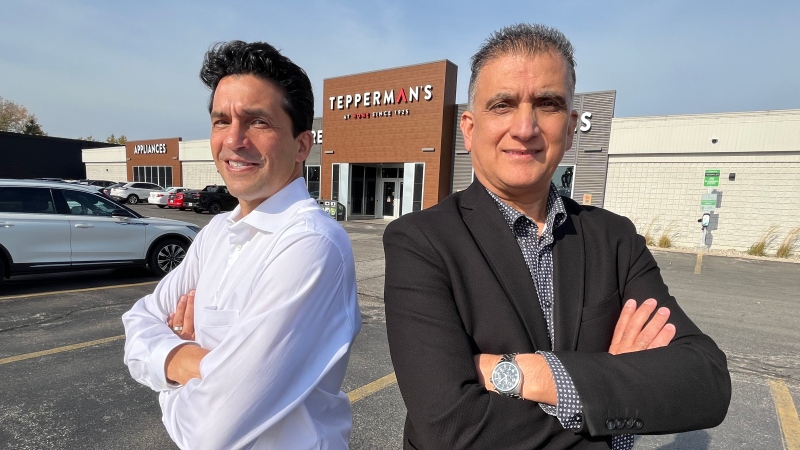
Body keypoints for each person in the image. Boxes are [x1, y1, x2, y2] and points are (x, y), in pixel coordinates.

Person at [383, 24, 730, 449]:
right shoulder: (421, 242)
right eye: (503, 104)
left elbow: (706, 382)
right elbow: (450, 428)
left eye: (546, 104)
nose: (525, 127)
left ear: (569, 128)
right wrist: (612, 396)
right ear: (470, 129)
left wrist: (530, 374)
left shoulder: (615, 239)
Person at [123, 41, 361, 449]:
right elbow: (138, 321)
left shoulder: (310, 246)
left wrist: (171, 371)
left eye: (257, 122)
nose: (233, 140)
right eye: (221, 121)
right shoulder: (216, 232)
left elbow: (211, 430)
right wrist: (189, 360)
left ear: (302, 145)